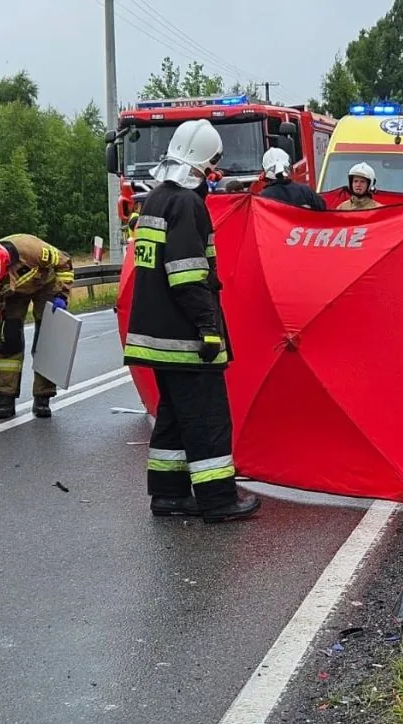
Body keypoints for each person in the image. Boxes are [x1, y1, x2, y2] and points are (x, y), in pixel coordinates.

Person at [124, 118, 261, 524]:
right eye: (214, 163)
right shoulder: (187, 204)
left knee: (172, 418)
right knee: (207, 418)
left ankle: (168, 495)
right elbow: (187, 275)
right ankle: (218, 499)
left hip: (157, 338)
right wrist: (209, 328)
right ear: (206, 162)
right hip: (186, 339)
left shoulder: (154, 200)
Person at [0, 235, 75, 420]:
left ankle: (43, 397)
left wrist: (62, 294)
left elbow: (65, 263)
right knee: (9, 339)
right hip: (12, 294)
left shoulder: (33, 250)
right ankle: (5, 397)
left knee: (46, 339)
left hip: (45, 285)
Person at [259, 147, 327, 210]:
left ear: (265, 170)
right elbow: (323, 209)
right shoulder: (305, 191)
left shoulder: (263, 198)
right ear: (288, 167)